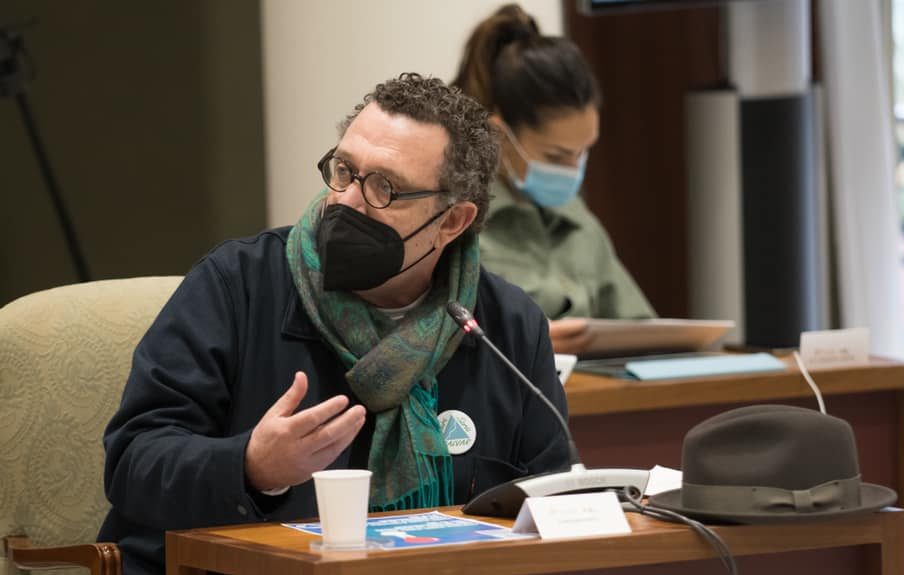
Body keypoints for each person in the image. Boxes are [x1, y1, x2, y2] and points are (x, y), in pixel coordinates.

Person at [98, 73, 570, 574]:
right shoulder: (238, 285)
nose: (346, 200)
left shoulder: (506, 326)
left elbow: (551, 501)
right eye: (344, 170)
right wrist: (251, 466)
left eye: (384, 187)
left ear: (452, 221)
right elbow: (133, 461)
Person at [452, 4, 656, 354]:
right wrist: (525, 340)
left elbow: (642, 329)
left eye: (583, 152)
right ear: (500, 135)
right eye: (557, 156)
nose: (573, 169)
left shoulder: (576, 219)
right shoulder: (454, 224)